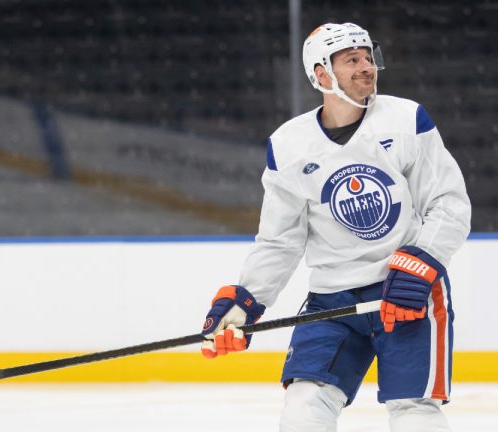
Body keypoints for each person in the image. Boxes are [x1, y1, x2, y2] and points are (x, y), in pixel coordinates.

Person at [199, 22, 471, 432]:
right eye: (351, 60)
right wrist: (246, 302)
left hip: (405, 292)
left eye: (368, 57)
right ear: (321, 74)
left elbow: (448, 203)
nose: (367, 67)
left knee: (414, 410)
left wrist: (421, 261)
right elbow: (280, 240)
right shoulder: (289, 145)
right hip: (331, 302)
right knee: (303, 408)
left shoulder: (405, 119)